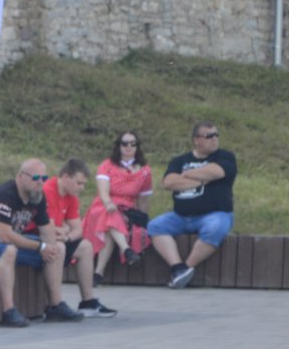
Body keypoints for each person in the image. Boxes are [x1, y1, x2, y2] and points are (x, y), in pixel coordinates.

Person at [0, 159, 83, 327]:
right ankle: (8, 311)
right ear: (21, 176)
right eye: (36, 177)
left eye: (44, 178)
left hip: (1, 243)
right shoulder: (4, 195)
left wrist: (51, 249)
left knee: (57, 248)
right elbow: (5, 236)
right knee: (9, 250)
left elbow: (46, 230)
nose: (40, 182)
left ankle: (55, 306)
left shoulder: (37, 197)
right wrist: (40, 247)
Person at [148, 121, 237, 289]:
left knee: (216, 227)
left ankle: (186, 267)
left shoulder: (225, 156)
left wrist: (186, 174)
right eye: (209, 136)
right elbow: (168, 182)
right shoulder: (179, 160)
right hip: (180, 216)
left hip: (214, 214)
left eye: (216, 135)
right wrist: (201, 180)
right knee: (155, 226)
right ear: (196, 139)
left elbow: (217, 172)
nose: (214, 139)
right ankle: (177, 267)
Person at [41, 158, 116, 317]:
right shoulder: (48, 190)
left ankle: (87, 302)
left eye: (83, 184)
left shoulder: (71, 195)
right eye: (79, 183)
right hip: (36, 238)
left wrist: (67, 234)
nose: (82, 188)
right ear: (66, 178)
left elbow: (79, 230)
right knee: (59, 248)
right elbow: (49, 230)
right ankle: (55, 305)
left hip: (59, 239)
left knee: (85, 246)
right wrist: (65, 230)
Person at [82, 130, 154, 285]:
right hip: (103, 205)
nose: (129, 147)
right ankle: (126, 250)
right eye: (125, 143)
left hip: (127, 208)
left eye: (133, 144)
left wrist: (143, 219)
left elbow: (143, 200)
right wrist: (108, 204)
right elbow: (103, 192)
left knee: (110, 226)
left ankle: (98, 273)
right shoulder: (107, 165)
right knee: (111, 215)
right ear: (118, 146)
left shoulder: (145, 170)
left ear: (137, 146)